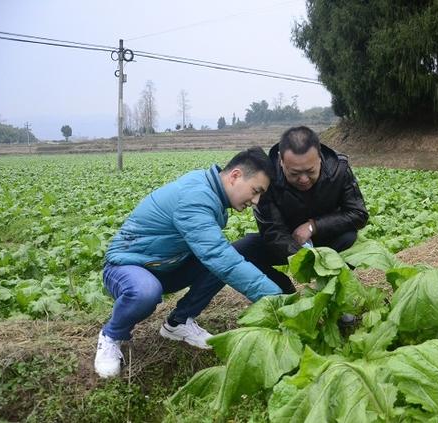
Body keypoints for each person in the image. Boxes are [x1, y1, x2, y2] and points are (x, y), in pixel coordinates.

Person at [94, 147, 282, 378]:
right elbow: (220, 257)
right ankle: (112, 335)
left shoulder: (210, 191)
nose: (255, 201)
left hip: (164, 265)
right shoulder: (196, 198)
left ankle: (178, 323)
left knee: (219, 261)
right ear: (235, 176)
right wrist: (275, 300)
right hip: (126, 266)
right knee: (147, 291)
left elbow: (218, 257)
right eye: (255, 191)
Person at [234, 126, 369, 293]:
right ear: (281, 161)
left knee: (350, 238)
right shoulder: (267, 178)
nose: (304, 179)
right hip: (285, 243)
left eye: (310, 171)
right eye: (295, 173)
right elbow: (273, 231)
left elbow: (358, 214)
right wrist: (305, 258)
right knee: (241, 251)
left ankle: (336, 292)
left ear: (319, 157)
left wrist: (314, 226)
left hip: (326, 238)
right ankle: (283, 289)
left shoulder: (338, 169)